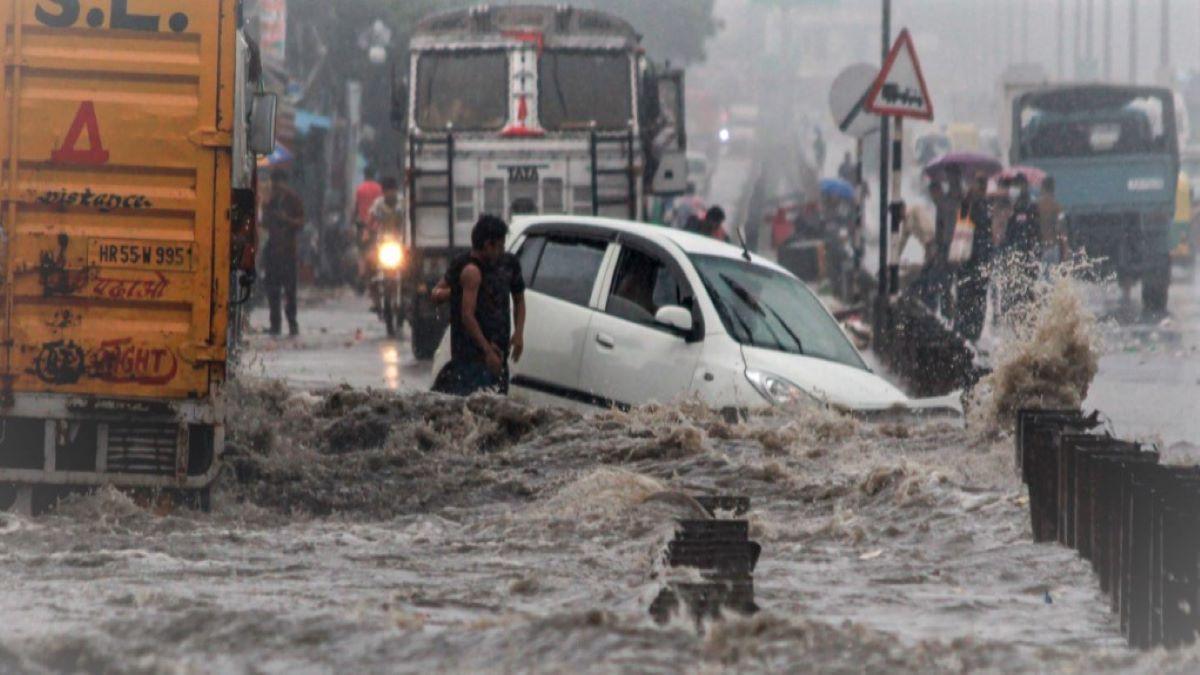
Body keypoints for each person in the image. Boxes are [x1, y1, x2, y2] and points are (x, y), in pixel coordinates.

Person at [431, 216, 526, 396]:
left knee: (496, 406)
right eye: (500, 246)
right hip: (469, 356)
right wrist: (458, 292)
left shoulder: (508, 265)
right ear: (488, 245)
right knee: (472, 403)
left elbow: (519, 299)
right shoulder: (465, 266)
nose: (502, 251)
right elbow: (439, 295)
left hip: (498, 354)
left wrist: (519, 332)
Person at [261, 168, 305, 337]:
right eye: (274, 186)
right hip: (272, 250)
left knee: (290, 291)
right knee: (272, 290)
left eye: (278, 185)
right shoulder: (270, 201)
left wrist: (286, 220)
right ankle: (275, 324)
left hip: (288, 251)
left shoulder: (293, 200)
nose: (276, 188)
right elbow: (264, 223)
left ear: (285, 184)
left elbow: (301, 222)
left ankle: (292, 323)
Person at [955, 175, 994, 342]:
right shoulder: (967, 203)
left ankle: (974, 334)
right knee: (965, 296)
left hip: (982, 259)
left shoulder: (986, 205)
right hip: (967, 259)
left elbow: (989, 232)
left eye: (984, 184)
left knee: (979, 298)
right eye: (980, 184)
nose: (982, 187)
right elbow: (961, 224)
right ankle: (962, 333)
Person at [365, 177, 405, 312]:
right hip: (382, 243)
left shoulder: (402, 203)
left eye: (392, 190)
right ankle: (375, 300)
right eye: (387, 191)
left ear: (396, 191)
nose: (390, 193)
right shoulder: (378, 204)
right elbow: (371, 218)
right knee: (369, 264)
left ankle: (408, 296)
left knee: (411, 267)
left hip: (400, 243)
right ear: (383, 192)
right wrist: (366, 232)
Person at [1037, 176, 1067, 266]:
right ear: (1053, 189)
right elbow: (1061, 229)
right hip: (1053, 246)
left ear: (1042, 188)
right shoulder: (1057, 207)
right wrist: (1065, 248)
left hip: (1040, 246)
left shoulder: (1036, 206)